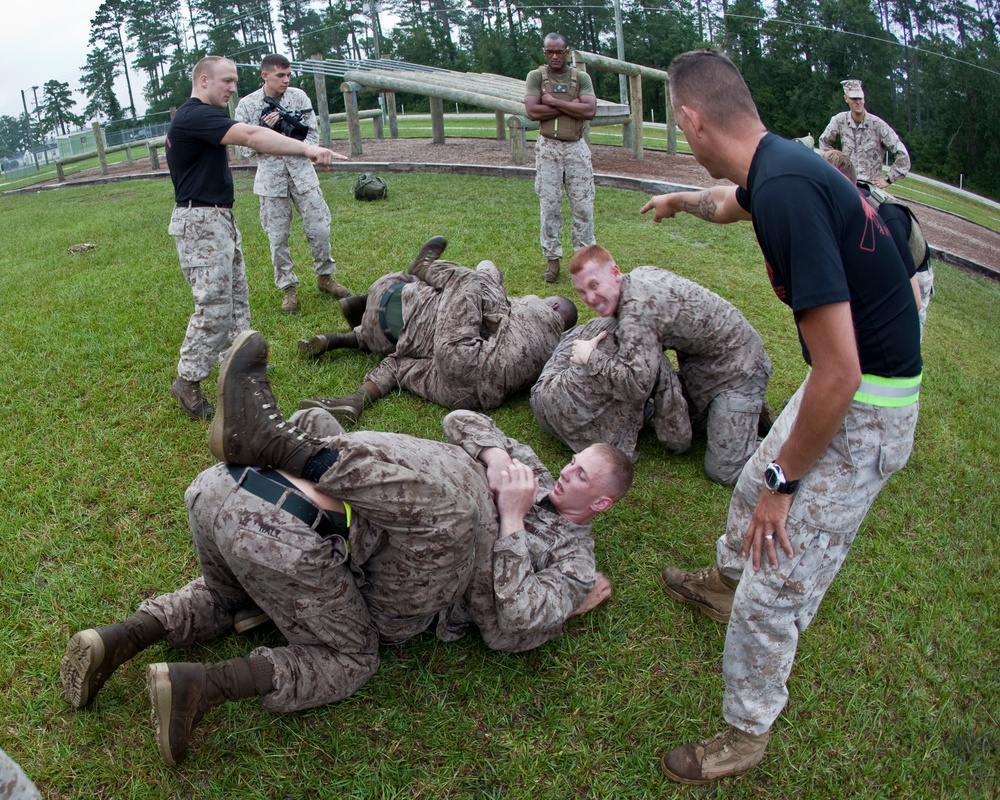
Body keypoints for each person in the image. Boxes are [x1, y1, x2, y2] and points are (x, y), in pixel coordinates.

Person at [640, 49, 921, 784]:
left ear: (695, 122)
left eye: (679, 125)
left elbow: (840, 371)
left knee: (777, 575)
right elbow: (733, 202)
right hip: (848, 385)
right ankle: (722, 584)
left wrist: (784, 483)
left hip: (865, 404)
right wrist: (678, 201)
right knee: (746, 494)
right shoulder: (777, 166)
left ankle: (746, 732)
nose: (684, 135)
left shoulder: (789, 189)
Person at [211, 331, 634, 652]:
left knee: (346, 476)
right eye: (573, 462)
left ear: (601, 503)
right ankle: (264, 507)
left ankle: (277, 449)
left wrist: (512, 521)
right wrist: (497, 458)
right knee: (316, 421)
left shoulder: (574, 563)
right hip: (410, 502)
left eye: (580, 476)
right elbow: (462, 420)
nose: (565, 472)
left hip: (422, 557)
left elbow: (515, 621)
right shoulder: (535, 472)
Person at [167, 55, 345, 421]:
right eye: (226, 81)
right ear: (203, 81)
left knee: (236, 299)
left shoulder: (203, 116)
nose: (233, 88)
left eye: (235, 81)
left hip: (217, 216)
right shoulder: (194, 115)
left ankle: (237, 369)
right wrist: (308, 148)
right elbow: (251, 135)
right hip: (199, 221)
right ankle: (187, 381)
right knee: (214, 305)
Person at [298, 237, 577, 421]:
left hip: (465, 358)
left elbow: (492, 293)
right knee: (401, 365)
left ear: (552, 308)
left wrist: (488, 276)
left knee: (466, 280)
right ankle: (355, 399)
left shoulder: (535, 309)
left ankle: (423, 269)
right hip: (470, 398)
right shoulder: (556, 350)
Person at [565, 244, 773, 485]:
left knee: (724, 470)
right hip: (703, 368)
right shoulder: (639, 276)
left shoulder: (638, 314)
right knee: (695, 426)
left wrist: (590, 358)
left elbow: (636, 386)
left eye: (594, 285)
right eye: (581, 291)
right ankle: (744, 420)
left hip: (740, 370)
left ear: (615, 272)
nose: (589, 298)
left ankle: (788, 443)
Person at [234, 54, 349, 315]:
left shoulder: (298, 97)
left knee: (319, 228)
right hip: (270, 181)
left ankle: (325, 277)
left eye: (288, 75)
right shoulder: (247, 105)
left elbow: (312, 136)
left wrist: (288, 128)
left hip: (302, 174)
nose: (286, 80)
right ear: (265, 75)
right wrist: (263, 130)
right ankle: (288, 288)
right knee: (278, 237)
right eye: (280, 76)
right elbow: (241, 151)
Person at [531, 316, 692, 461]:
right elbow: (676, 434)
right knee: (647, 405)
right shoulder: (657, 362)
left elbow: (563, 353)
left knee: (572, 344)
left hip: (546, 411)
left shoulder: (597, 325)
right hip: (601, 443)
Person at [822, 149, 933, 339]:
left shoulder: (885, 221)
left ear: (849, 187)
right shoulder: (834, 205)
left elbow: (914, 301)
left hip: (914, 271)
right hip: (874, 257)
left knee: (902, 334)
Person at [524, 32, 597, 282]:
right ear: (544, 52)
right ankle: (552, 260)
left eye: (559, 51)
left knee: (583, 206)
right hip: (548, 148)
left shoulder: (581, 78)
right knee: (549, 205)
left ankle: (584, 261)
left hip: (576, 147)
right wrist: (570, 105)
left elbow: (589, 110)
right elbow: (532, 111)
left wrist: (553, 101)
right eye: (549, 52)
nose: (554, 56)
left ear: (567, 52)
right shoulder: (536, 77)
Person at [819, 79, 910, 189]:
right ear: (846, 99)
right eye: (853, 98)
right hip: (847, 184)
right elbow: (824, 141)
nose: (858, 102)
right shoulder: (839, 120)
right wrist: (833, 166)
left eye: (860, 98)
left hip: (871, 188)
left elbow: (903, 155)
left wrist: (888, 179)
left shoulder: (878, 125)